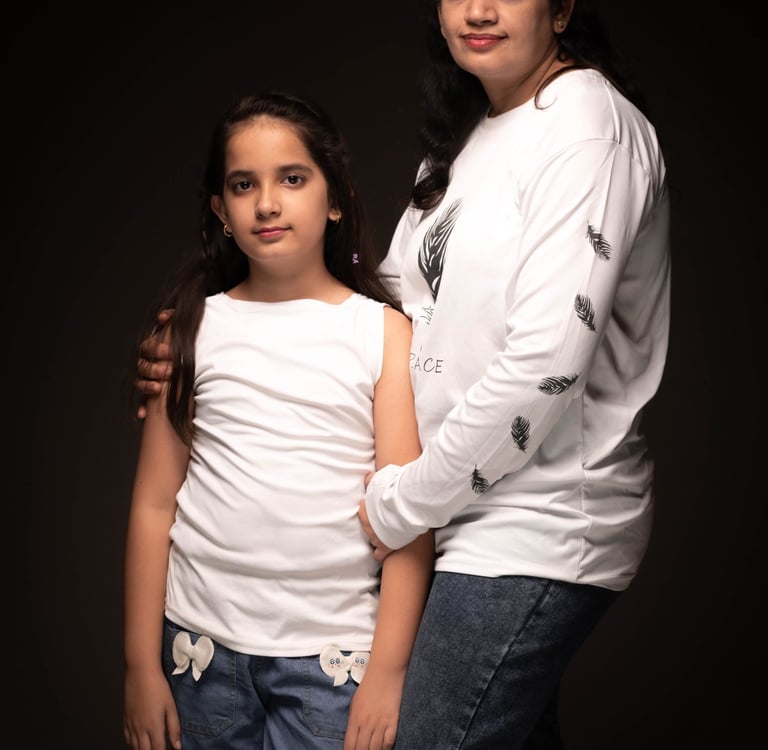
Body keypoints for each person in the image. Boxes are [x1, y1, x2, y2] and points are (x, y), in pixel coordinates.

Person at [136, 1, 671, 747]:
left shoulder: (587, 126)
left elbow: (547, 364)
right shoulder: (463, 139)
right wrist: (211, 343)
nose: (478, 10)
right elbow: (388, 308)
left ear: (562, 8)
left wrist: (401, 503)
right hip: (449, 515)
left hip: (534, 523)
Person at [123, 91, 434, 750]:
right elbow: (154, 505)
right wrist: (139, 666)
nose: (267, 202)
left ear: (335, 196)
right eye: (244, 185)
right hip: (198, 657)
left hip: (333, 664)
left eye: (292, 178)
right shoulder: (190, 331)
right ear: (221, 212)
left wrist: (388, 671)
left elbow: (409, 517)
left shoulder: (382, 333)